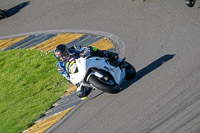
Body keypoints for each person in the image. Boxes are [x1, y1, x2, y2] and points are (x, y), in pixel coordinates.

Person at [54, 44, 119, 98]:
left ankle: (109, 55)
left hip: (86, 61)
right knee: (81, 94)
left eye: (63, 55)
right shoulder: (59, 66)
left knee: (93, 49)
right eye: (60, 57)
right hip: (77, 72)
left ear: (66, 51)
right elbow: (66, 76)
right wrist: (76, 83)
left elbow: (85, 48)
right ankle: (88, 85)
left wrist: (86, 51)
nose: (62, 57)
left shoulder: (74, 48)